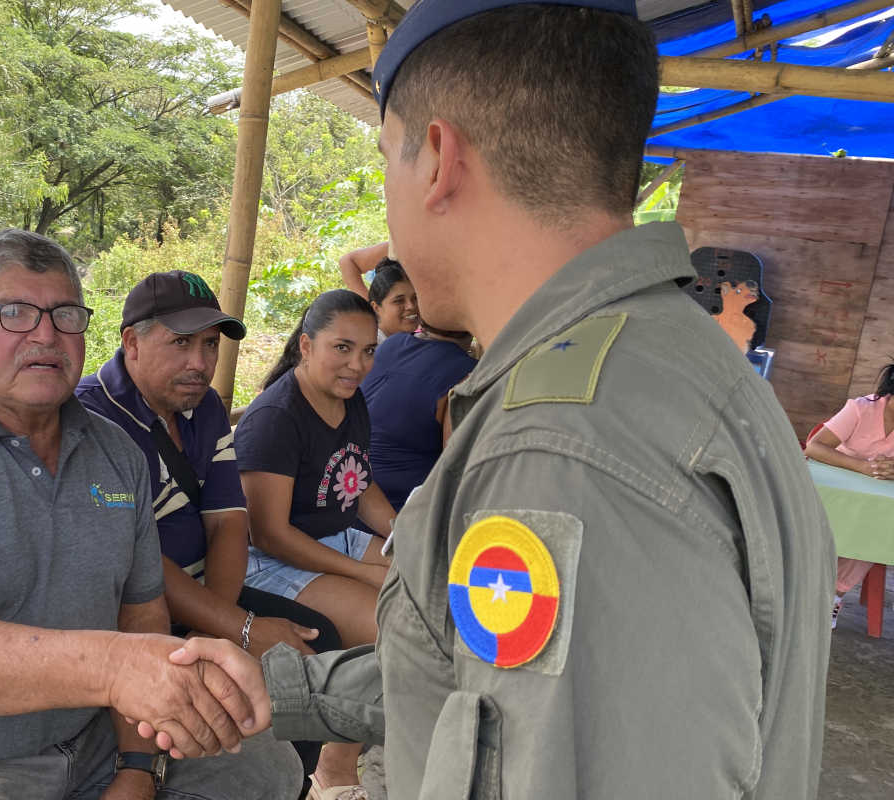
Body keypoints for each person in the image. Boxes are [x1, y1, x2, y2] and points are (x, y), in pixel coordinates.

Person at [142, 2, 834, 798]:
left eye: (384, 160)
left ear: (437, 160)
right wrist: (274, 689)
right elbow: (484, 683)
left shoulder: (561, 443)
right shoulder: (681, 364)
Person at [0, 229, 300, 800]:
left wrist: (136, 769)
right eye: (14, 314)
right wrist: (116, 670)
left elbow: (142, 617)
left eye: (65, 315)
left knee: (266, 765)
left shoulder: (117, 454)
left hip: (94, 739)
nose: (46, 335)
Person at [75, 270, 343, 788]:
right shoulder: (93, 419)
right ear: (132, 341)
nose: (199, 363)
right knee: (274, 670)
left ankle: (292, 783)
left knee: (312, 651)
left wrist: (220, 628)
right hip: (134, 613)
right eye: (180, 343)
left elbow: (228, 521)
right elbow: (135, 559)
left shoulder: (206, 406)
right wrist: (237, 629)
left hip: (206, 597)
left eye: (209, 344)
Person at [236, 289, 396, 800]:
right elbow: (269, 533)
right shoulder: (276, 418)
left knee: (429, 585)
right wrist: (365, 573)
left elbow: (358, 481)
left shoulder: (351, 398)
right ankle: (335, 768)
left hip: (335, 534)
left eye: (369, 350)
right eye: (342, 348)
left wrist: (403, 535)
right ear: (306, 346)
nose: (358, 364)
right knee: (387, 620)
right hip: (268, 557)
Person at [804, 361, 894, 627]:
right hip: (832, 493)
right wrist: (862, 467)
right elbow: (814, 447)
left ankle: (833, 596)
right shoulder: (861, 409)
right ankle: (800, 586)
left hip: (871, 506)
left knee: (878, 530)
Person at [359, 319, 477, 512]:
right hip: (402, 515)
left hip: (347, 498)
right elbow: (459, 476)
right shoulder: (467, 376)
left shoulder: (392, 343)